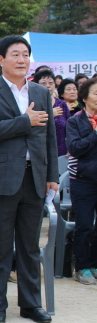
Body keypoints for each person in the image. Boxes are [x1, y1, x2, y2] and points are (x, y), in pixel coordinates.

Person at [0, 35, 58, 323]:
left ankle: (30, 304)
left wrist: (52, 176)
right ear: (1, 59)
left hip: (34, 177)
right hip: (1, 177)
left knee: (29, 245)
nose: (22, 60)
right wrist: (25, 120)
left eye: (25, 55)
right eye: (15, 55)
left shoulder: (40, 91)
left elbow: (49, 138)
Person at [66, 78, 97, 285]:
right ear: (84, 97)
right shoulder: (75, 121)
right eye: (96, 93)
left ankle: (95, 264)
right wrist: (95, 134)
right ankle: (82, 267)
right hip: (83, 180)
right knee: (84, 224)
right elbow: (75, 148)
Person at [33, 70, 70, 157]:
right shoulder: (32, 104)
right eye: (43, 83)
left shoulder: (61, 104)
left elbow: (69, 128)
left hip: (61, 150)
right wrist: (50, 114)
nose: (48, 86)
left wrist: (69, 149)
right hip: (40, 151)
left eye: (51, 83)